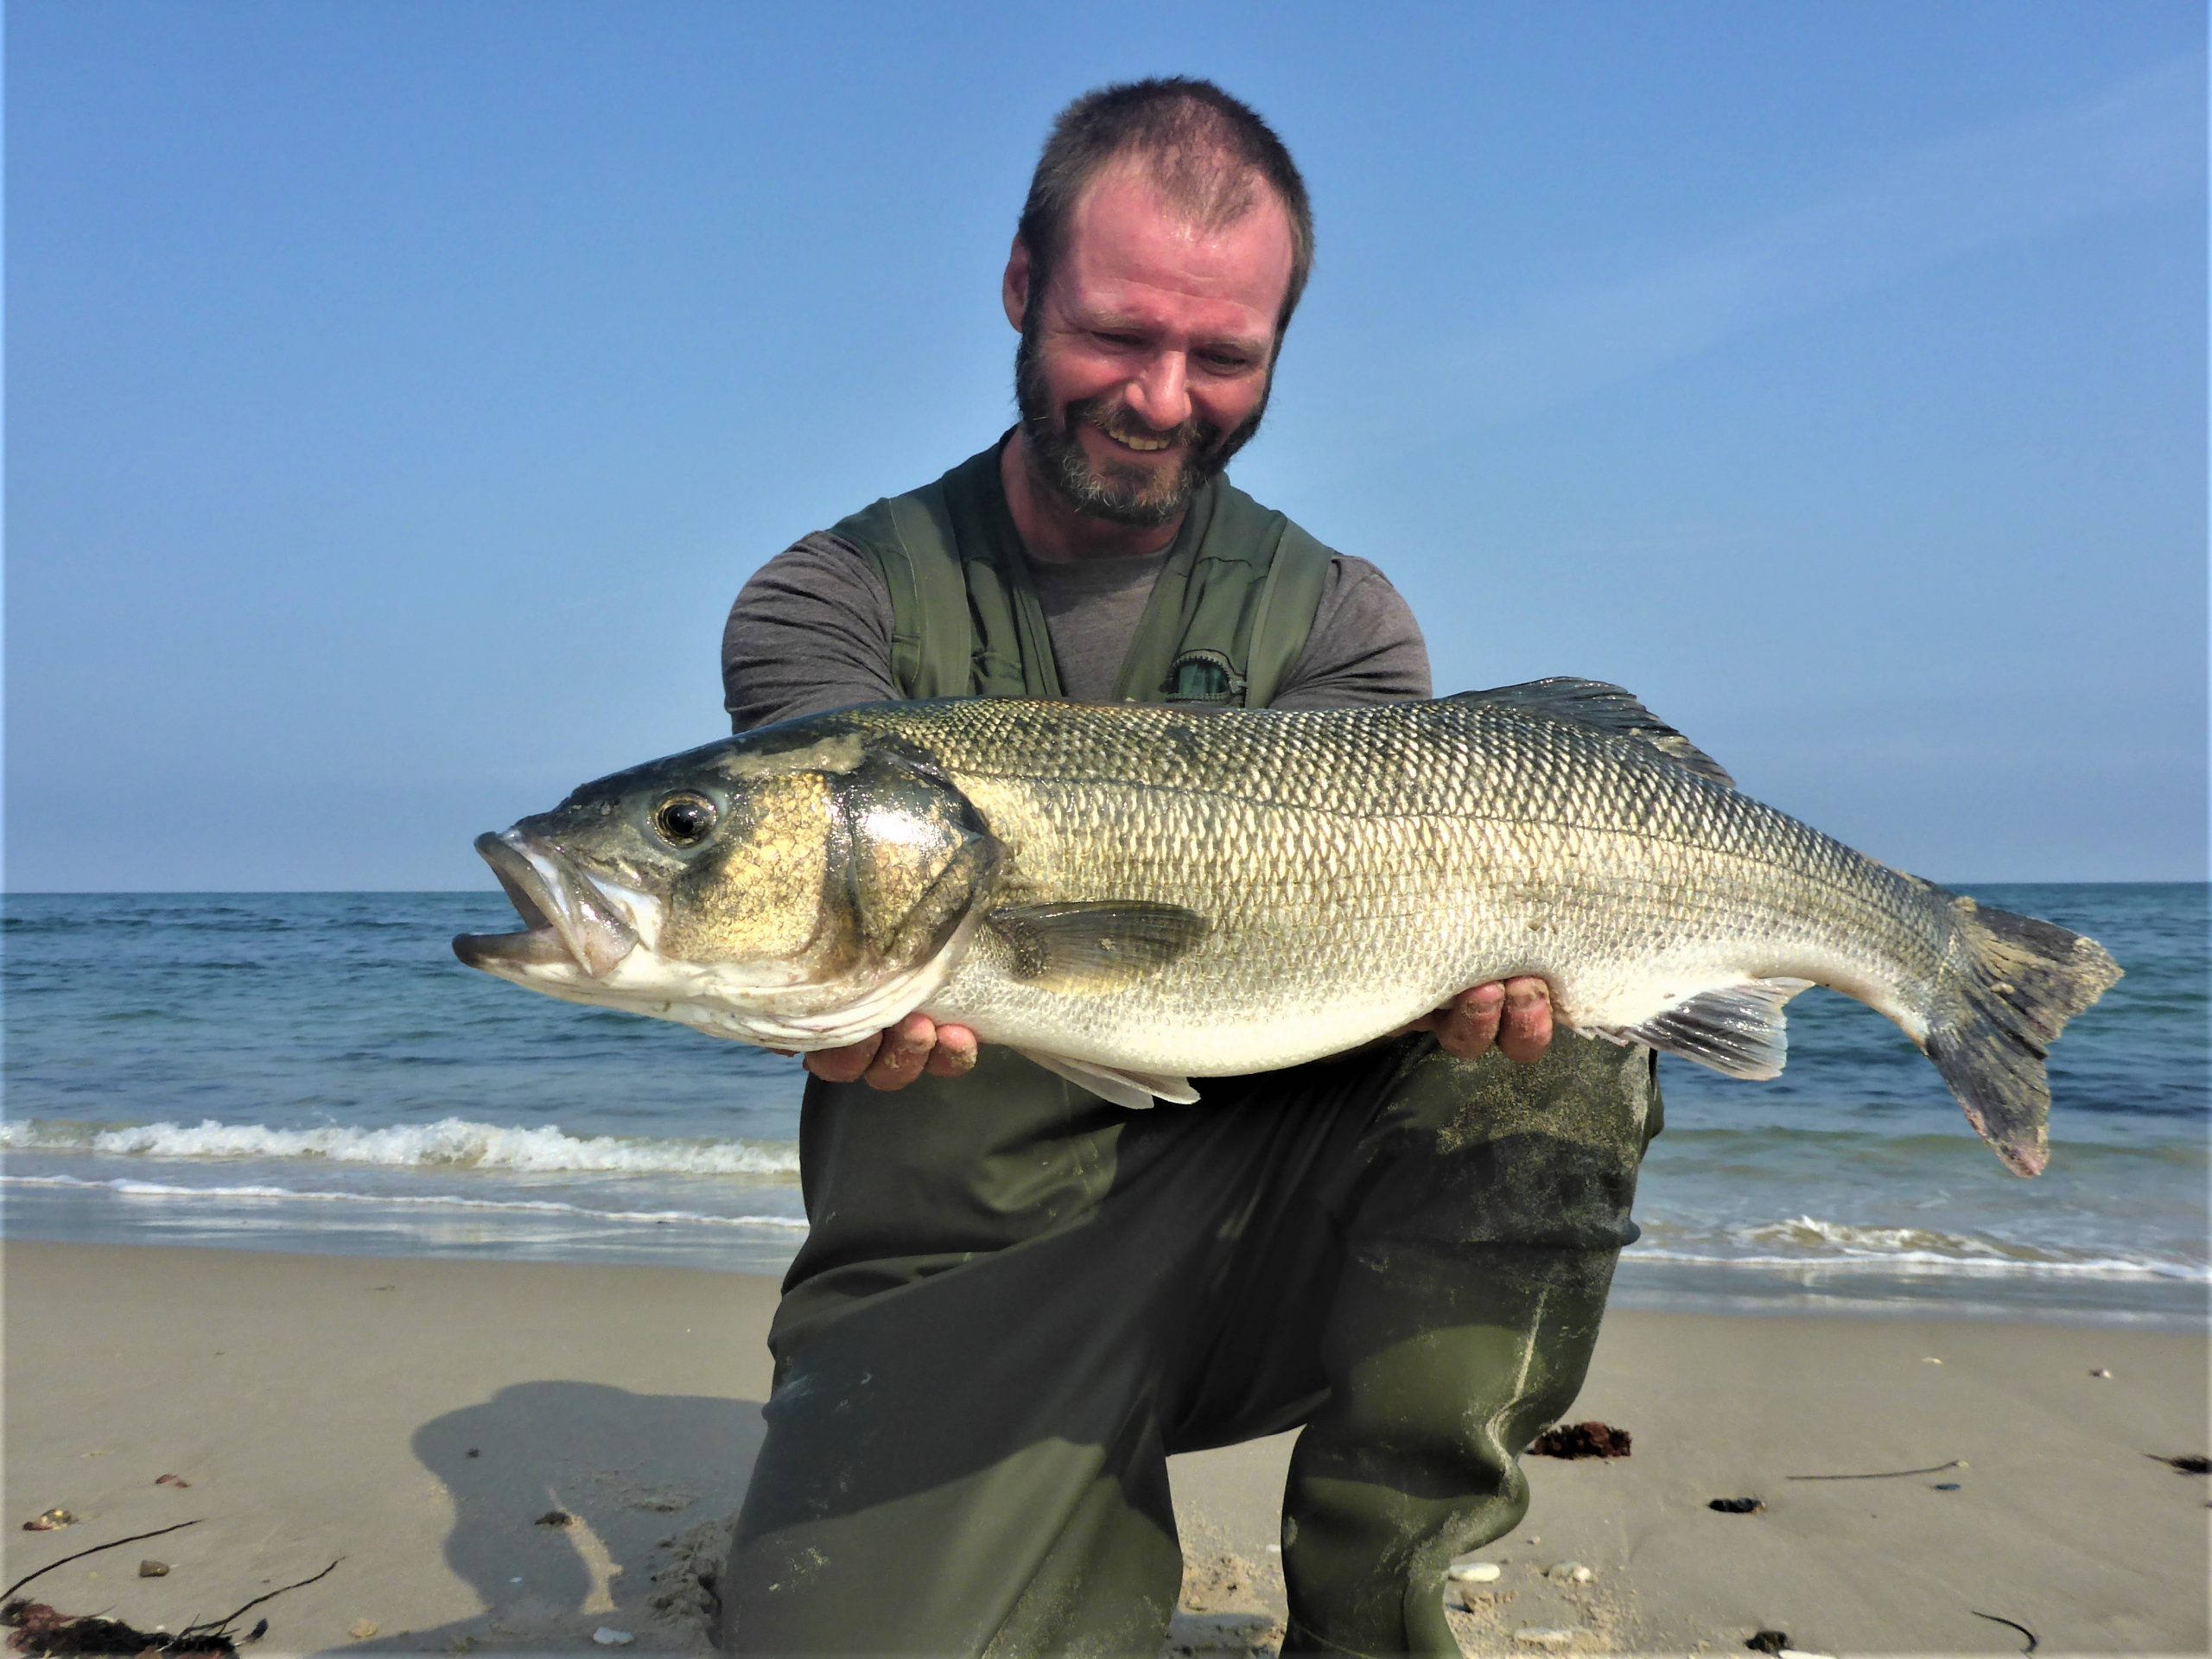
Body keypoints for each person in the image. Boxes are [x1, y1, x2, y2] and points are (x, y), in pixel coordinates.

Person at [717, 78, 1659, 1659]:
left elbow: (1363, 992)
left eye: (1223, 356)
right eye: (1114, 336)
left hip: (1253, 1245)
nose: (1159, 398)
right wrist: (834, 999)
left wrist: (1467, 1005)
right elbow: (808, 906)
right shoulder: (826, 608)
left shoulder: (1344, 625)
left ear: (1280, 346)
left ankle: (1375, 1615)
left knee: (1561, 1071)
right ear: (1022, 287)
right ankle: (1029, 1496)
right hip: (966, 1261)